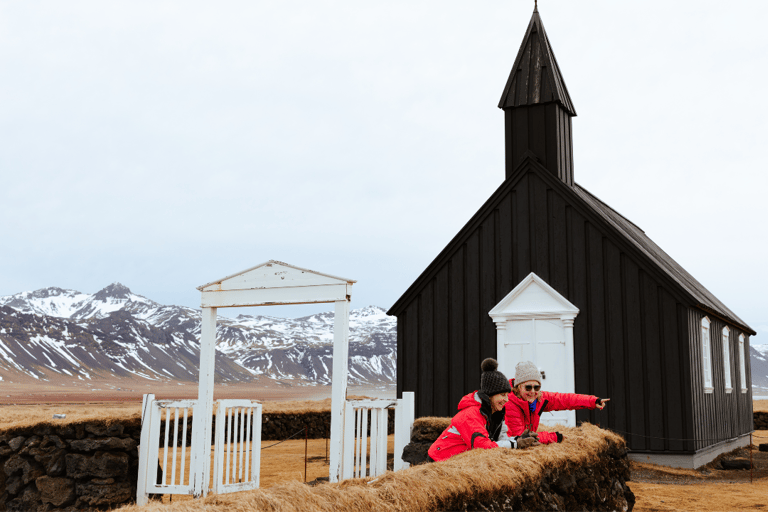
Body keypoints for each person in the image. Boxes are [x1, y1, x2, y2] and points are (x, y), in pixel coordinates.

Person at [428, 358, 538, 462]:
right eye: (502, 395)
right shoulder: (470, 415)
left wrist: (519, 438)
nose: (506, 400)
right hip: (438, 463)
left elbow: (501, 440)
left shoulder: (496, 413)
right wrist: (516, 444)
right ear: (490, 395)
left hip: (458, 462)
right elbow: (482, 446)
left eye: (507, 395)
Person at [504, 360, 610, 444]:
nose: (532, 392)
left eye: (536, 387)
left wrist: (592, 401)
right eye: (528, 387)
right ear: (518, 387)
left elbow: (565, 400)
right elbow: (520, 438)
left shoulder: (539, 398)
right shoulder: (510, 403)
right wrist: (554, 437)